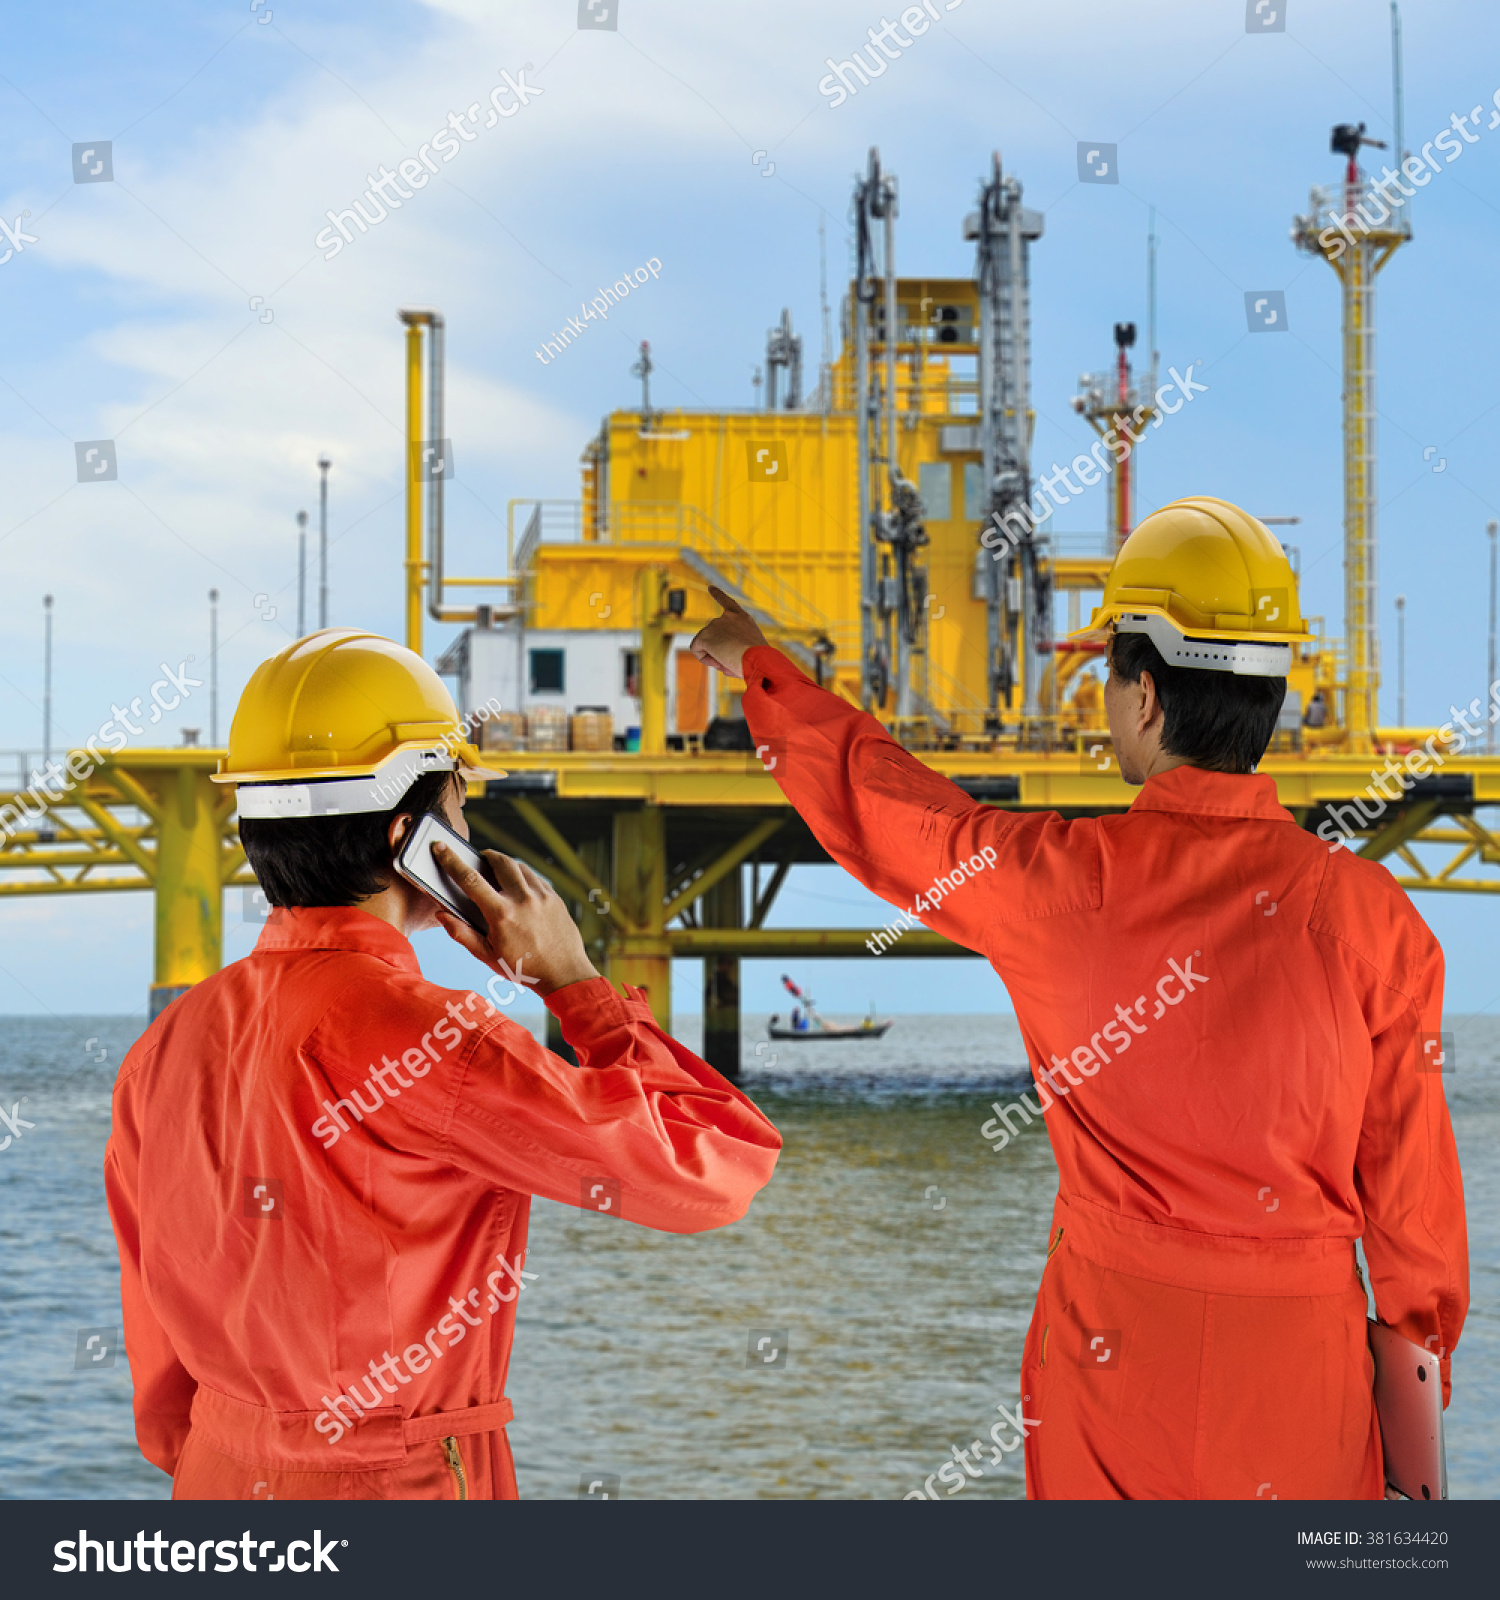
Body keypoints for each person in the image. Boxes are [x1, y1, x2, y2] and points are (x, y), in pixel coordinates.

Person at [691, 496, 1468, 1501]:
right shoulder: (1377, 923)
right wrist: (1416, 1393)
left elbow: (891, 816)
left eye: (1108, 677)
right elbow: (1415, 1222)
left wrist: (767, 674)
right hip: (1301, 1373)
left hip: (1113, 1361)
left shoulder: (1059, 881)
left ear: (1145, 698)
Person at [104, 629, 781, 1501]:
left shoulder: (164, 1044)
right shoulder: (430, 1037)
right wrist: (574, 984)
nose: (466, 834)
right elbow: (715, 1169)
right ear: (408, 836)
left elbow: (160, 1387)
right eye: (457, 812)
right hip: (394, 1486)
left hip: (215, 1481)